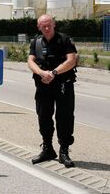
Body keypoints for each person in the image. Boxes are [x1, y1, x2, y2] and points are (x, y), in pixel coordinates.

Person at [28, 14, 78, 168]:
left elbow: (71, 60)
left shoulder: (64, 40)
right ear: (39, 27)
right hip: (43, 85)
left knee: (64, 117)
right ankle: (48, 149)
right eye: (44, 26)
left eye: (49, 24)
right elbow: (30, 61)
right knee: (43, 116)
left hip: (63, 85)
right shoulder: (35, 41)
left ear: (54, 24)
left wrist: (53, 73)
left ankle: (64, 151)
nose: (47, 28)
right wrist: (41, 73)